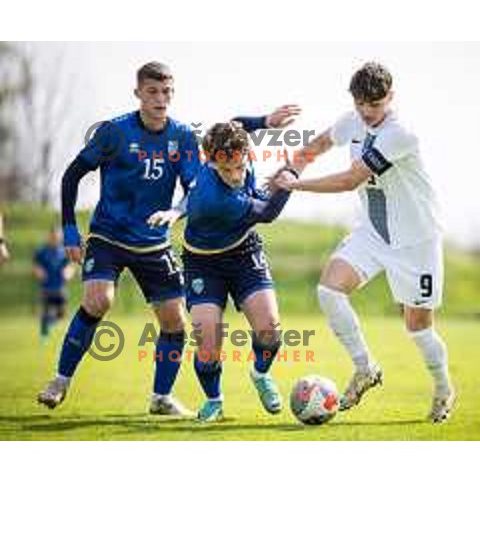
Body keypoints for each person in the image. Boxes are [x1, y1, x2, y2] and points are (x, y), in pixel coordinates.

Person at [37, 60, 300, 414]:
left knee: (175, 322)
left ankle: (161, 398)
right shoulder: (114, 133)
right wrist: (69, 226)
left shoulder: (182, 137)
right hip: (109, 236)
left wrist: (176, 212)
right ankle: (60, 380)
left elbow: (197, 183)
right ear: (138, 94)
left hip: (155, 242)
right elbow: (72, 174)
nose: (161, 99)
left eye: (167, 92)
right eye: (153, 92)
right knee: (99, 299)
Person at [276, 62, 455, 424]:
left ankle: (443, 389)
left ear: (391, 97)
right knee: (329, 291)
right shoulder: (352, 120)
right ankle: (365, 368)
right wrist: (293, 167)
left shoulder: (400, 133)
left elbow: (350, 180)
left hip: (416, 240)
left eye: (375, 104)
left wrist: (295, 186)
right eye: (361, 104)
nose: (368, 112)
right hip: (373, 232)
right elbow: (320, 143)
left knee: (418, 327)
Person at [149, 122, 298, 422]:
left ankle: (259, 374)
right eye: (227, 170)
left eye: (240, 167)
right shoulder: (215, 197)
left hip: (245, 254)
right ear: (212, 162)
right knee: (207, 344)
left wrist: (265, 120)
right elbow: (268, 212)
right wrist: (289, 179)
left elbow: (238, 124)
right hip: (203, 264)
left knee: (269, 329)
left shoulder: (235, 151)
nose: (235, 176)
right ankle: (214, 400)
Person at [33, 227, 75, 344]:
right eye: (53, 236)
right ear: (49, 236)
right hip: (46, 288)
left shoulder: (64, 252)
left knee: (62, 314)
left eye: (57, 236)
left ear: (60, 237)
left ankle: (48, 324)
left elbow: (71, 266)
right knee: (45, 312)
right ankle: (44, 336)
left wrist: (68, 272)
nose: (55, 238)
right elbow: (36, 265)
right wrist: (38, 271)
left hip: (60, 288)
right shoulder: (42, 251)